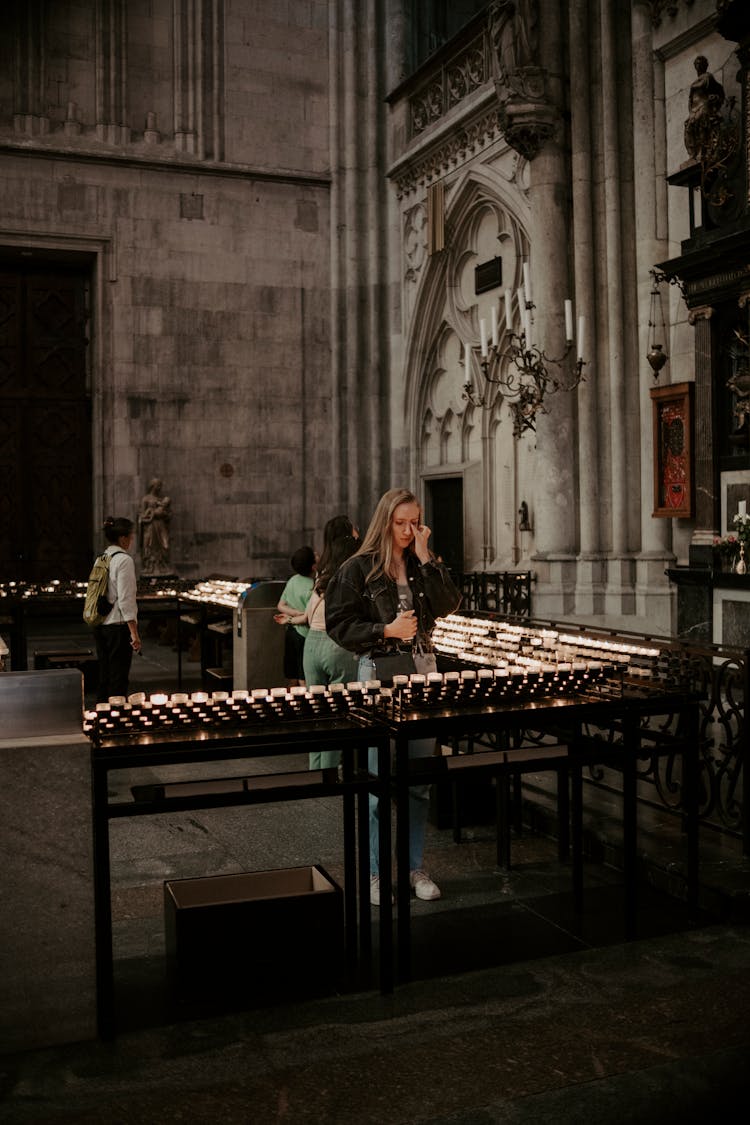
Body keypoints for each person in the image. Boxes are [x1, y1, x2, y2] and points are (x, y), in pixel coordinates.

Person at [325, 488, 461, 906]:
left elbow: (450, 603)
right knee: (376, 782)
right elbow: (338, 623)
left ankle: (413, 867)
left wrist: (428, 557)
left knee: (418, 781)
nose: (408, 530)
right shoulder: (357, 568)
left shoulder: (421, 566)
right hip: (379, 674)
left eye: (414, 522)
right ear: (385, 521)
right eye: (401, 523)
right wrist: (384, 631)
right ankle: (374, 873)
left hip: (422, 673)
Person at [282, 517, 360, 770]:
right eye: (355, 529)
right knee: (337, 715)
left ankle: (316, 772)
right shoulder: (353, 567)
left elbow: (310, 610)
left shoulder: (323, 571)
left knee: (318, 713)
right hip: (337, 644)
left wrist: (293, 619)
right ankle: (329, 775)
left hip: (312, 645)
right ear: (351, 536)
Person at [94, 516, 142, 701]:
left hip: (101, 624)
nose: (131, 540)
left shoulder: (101, 558)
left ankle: (102, 716)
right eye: (130, 537)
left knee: (105, 676)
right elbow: (126, 600)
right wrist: (134, 633)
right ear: (122, 538)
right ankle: (116, 720)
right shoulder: (124, 560)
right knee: (118, 678)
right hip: (118, 626)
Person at [274, 545, 316, 687]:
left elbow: (280, 605)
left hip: (290, 631)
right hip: (305, 634)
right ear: (313, 566)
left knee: (291, 673)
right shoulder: (314, 586)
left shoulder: (293, 580)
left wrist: (292, 613)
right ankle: (304, 703)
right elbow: (309, 616)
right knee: (302, 673)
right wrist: (300, 613)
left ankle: (292, 703)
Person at [139, 478, 172, 575]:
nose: (160, 488)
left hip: (161, 526)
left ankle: (162, 565)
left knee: (165, 545)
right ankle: (149, 566)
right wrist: (151, 515)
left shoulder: (162, 500)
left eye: (160, 486)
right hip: (150, 527)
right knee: (148, 545)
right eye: (158, 485)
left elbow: (168, 515)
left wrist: (164, 514)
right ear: (153, 486)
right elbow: (141, 514)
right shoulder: (146, 499)